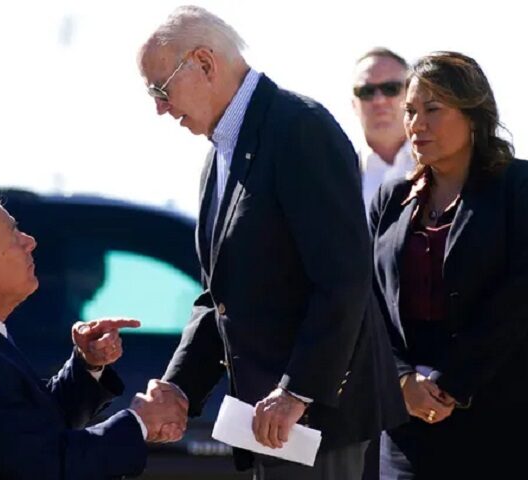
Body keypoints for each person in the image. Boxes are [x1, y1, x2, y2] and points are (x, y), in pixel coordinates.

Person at [137, 6, 407, 479]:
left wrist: (296, 391)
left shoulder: (299, 128)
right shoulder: (220, 152)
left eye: (161, 89)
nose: (160, 107)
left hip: (319, 426)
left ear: (204, 63)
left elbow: (343, 278)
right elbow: (219, 297)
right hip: (270, 428)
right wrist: (180, 387)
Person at [0, 191, 188, 480]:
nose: (30, 241)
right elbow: (52, 467)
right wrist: (140, 422)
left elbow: (29, 430)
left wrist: (87, 365)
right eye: (13, 236)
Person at [370, 51, 528, 479]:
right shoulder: (391, 198)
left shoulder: (518, 188)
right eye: (410, 112)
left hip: (498, 422)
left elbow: (518, 303)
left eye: (432, 110)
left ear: (474, 114)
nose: (416, 124)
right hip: (407, 427)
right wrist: (401, 381)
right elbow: (367, 302)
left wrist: (451, 384)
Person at [352, 48, 415, 214]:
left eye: (391, 88)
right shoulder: (336, 174)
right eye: (366, 91)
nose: (379, 100)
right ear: (353, 104)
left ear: (412, 96)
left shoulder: (443, 166)